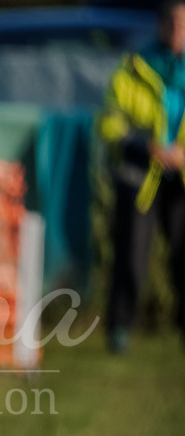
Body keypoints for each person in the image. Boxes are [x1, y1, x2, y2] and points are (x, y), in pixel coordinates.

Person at [98, 0, 185, 353]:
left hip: (181, 176)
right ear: (161, 25)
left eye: (184, 24)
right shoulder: (133, 66)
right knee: (131, 255)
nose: (178, 31)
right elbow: (110, 122)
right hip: (140, 172)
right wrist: (145, 146)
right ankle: (120, 329)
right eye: (173, 23)